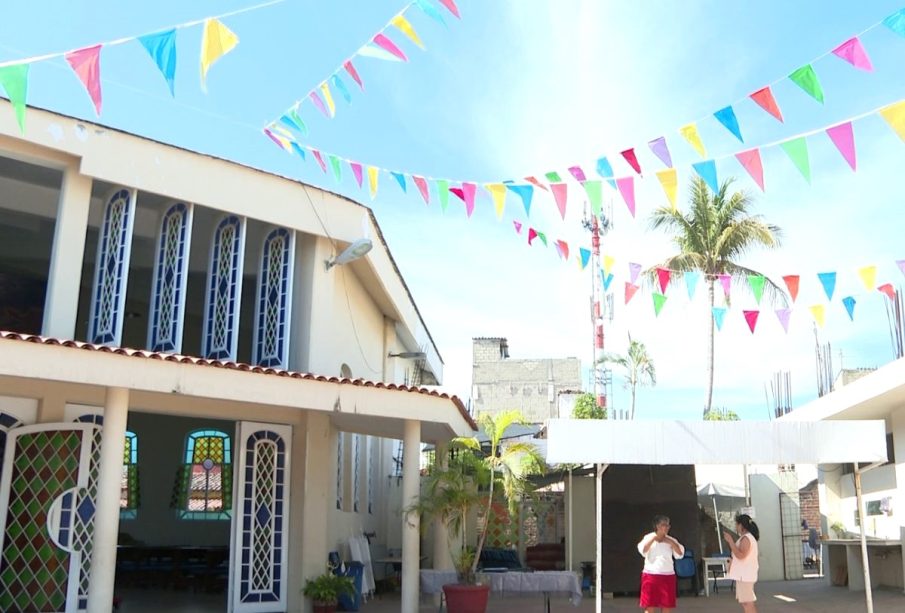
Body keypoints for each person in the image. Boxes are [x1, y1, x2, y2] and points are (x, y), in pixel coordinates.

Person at [637, 515, 685, 613]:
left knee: (666, 605)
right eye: (664, 525)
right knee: (649, 605)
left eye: (668, 525)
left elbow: (680, 554)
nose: (667, 527)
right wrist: (654, 539)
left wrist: (670, 542)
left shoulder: (672, 539)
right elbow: (643, 550)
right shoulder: (648, 537)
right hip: (650, 575)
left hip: (667, 575)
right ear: (657, 526)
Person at [724, 514, 760, 613]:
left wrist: (730, 541)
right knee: (746, 603)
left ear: (741, 525)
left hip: (745, 576)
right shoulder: (746, 538)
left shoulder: (747, 538)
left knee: (747, 603)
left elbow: (741, 555)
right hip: (744, 575)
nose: (736, 527)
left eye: (737, 524)